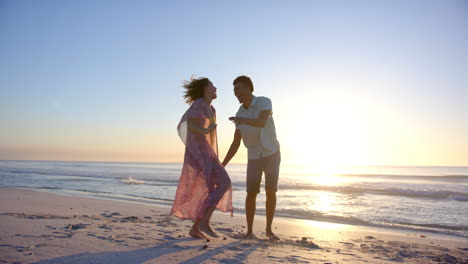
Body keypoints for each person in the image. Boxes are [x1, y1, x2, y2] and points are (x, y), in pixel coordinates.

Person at [171, 77, 233, 239]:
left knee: (216, 186)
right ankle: (203, 223)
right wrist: (205, 131)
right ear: (205, 89)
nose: (215, 88)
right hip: (198, 152)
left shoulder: (211, 109)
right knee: (223, 182)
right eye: (212, 86)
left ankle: (197, 226)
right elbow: (189, 124)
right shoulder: (199, 103)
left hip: (206, 152)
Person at [222, 75, 281, 240]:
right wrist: (223, 164)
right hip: (254, 156)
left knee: (271, 191)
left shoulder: (264, 102)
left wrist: (241, 120)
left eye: (238, 88)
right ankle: (249, 232)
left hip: (271, 153)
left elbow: (262, 121)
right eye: (234, 90)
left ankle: (269, 230)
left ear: (249, 88)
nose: (235, 92)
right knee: (251, 193)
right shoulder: (239, 113)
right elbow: (236, 142)